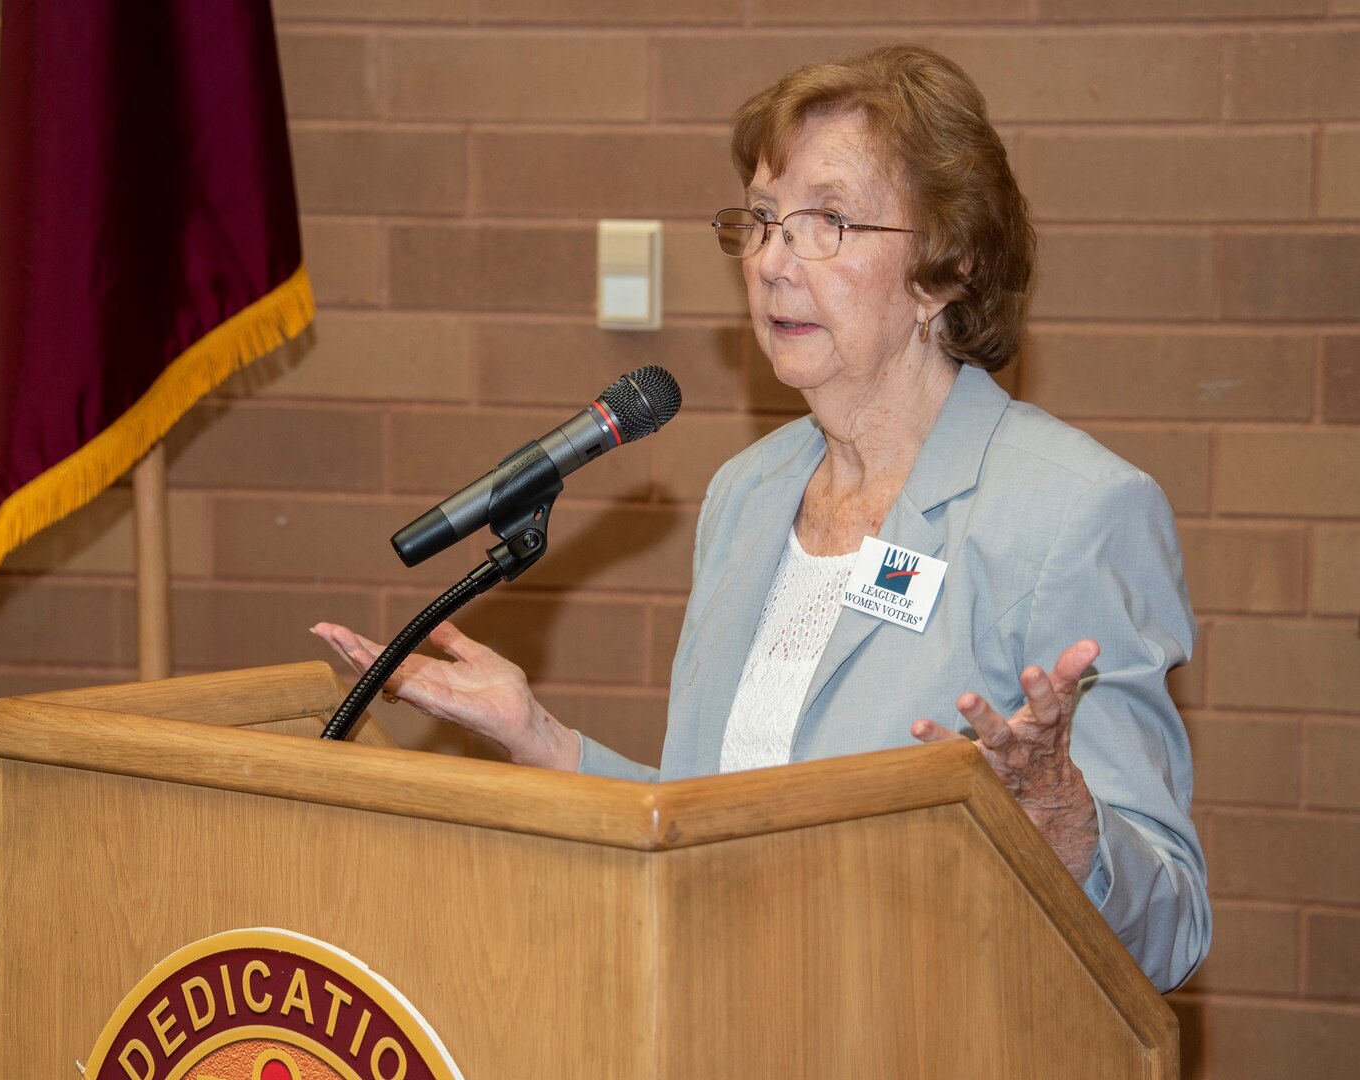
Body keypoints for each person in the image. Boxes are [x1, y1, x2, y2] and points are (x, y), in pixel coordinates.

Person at [314, 44, 1209, 993]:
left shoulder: (1073, 512)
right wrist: (538, 736)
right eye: (763, 217)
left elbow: (1174, 930)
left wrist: (1063, 818)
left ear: (945, 268)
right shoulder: (748, 494)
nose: (774, 260)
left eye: (826, 220)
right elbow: (717, 831)